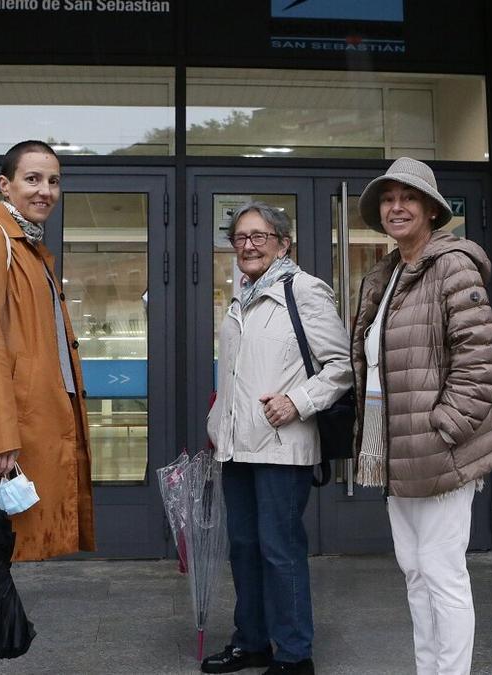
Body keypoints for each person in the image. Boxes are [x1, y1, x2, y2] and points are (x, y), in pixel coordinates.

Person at [351, 157, 492, 675]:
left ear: (431, 211)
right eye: (388, 198)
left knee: (442, 572)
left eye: (408, 198)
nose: (396, 207)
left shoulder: (452, 265)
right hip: (398, 448)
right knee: (415, 573)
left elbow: (480, 358)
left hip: (438, 447)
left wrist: (446, 427)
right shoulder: (388, 272)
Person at [0, 140, 95, 674]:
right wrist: (3, 436)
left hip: (13, 426)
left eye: (53, 181)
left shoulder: (28, 248)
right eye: (32, 179)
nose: (45, 191)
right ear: (4, 185)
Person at [203, 202, 353, 675]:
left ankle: (293, 655)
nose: (247, 245)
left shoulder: (305, 291)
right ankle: (251, 643)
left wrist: (297, 402)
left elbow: (343, 366)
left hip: (282, 447)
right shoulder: (240, 296)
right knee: (244, 548)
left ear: (283, 243)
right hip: (235, 446)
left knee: (279, 549)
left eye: (259, 236)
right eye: (240, 237)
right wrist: (217, 424)